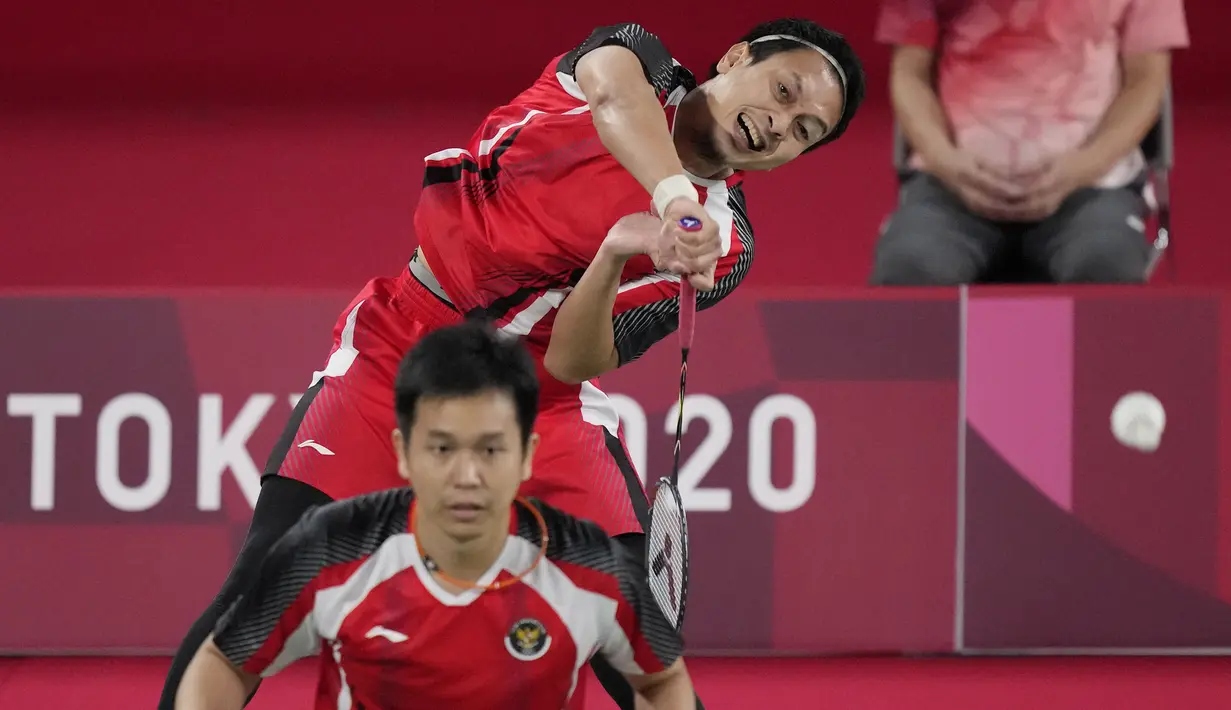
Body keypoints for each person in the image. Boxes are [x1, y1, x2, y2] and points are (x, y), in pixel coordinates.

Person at [159, 17, 865, 710]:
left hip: (540, 397)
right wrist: (674, 201)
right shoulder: (633, 55)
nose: (780, 126)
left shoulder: (727, 246)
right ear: (737, 57)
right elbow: (613, 98)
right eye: (782, 93)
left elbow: (573, 357)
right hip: (399, 347)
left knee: (639, 638)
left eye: (805, 131)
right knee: (260, 587)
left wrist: (620, 252)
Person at [174, 321, 695, 710]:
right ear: (402, 452)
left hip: (550, 381)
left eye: (490, 453)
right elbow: (226, 660)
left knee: (632, 652)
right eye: (443, 451)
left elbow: (660, 680)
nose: (465, 476)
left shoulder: (592, 566)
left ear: (527, 455)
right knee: (250, 586)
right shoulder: (328, 549)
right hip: (397, 339)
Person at [870, 0, 1188, 285]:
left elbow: (1145, 79)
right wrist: (945, 159)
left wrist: (1085, 166)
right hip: (952, 187)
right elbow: (911, 72)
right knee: (908, 270)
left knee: (1105, 266)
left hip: (1090, 188)